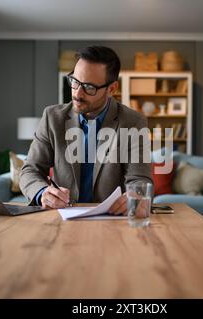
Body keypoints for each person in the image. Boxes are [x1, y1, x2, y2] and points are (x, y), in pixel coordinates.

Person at [19, 46, 152, 215]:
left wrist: (137, 195)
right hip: (61, 217)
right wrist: (42, 193)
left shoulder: (133, 122)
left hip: (111, 220)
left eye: (89, 87)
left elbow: (140, 179)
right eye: (75, 81)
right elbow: (30, 170)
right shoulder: (52, 118)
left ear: (111, 89)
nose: (77, 93)